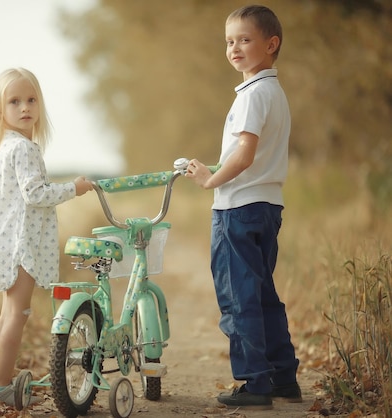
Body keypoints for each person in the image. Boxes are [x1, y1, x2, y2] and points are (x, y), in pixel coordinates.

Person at [184, 5, 301, 410]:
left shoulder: (254, 96)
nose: (234, 48)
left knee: (239, 299)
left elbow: (245, 155)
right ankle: (283, 376)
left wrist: (209, 179)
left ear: (271, 45)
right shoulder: (274, 93)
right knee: (264, 294)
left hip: (237, 209)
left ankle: (255, 383)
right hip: (267, 206)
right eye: (230, 41)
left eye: (244, 40)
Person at [0, 68, 93, 407]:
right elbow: (34, 193)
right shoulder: (24, 149)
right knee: (17, 314)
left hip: (6, 240)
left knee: (8, 312)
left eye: (31, 100)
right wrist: (75, 188)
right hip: (22, 243)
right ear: (1, 111)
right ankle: (1, 386)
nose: (25, 107)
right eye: (14, 101)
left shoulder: (7, 146)